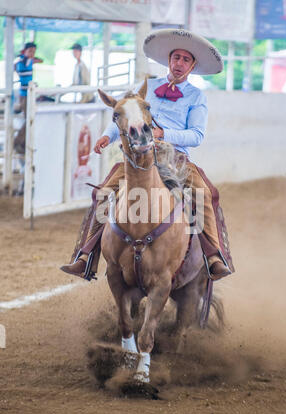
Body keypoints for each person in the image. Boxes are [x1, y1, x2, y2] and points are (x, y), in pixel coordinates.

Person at [61, 28, 234, 281]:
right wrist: (107, 136)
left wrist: (163, 134)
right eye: (176, 57)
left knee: (204, 195)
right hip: (137, 158)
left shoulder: (197, 97)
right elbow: (124, 112)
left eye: (186, 59)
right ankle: (86, 255)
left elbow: (196, 135)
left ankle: (213, 256)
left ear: (192, 65)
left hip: (176, 159)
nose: (179, 63)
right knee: (102, 194)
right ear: (169, 60)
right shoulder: (147, 87)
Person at [14, 42, 43, 155]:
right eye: (30, 51)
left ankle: (22, 143)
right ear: (24, 51)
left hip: (28, 95)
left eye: (33, 51)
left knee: (30, 119)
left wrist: (30, 57)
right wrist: (27, 56)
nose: (32, 54)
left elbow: (40, 60)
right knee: (29, 119)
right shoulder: (22, 61)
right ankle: (18, 142)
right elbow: (36, 60)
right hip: (25, 96)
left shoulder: (26, 61)